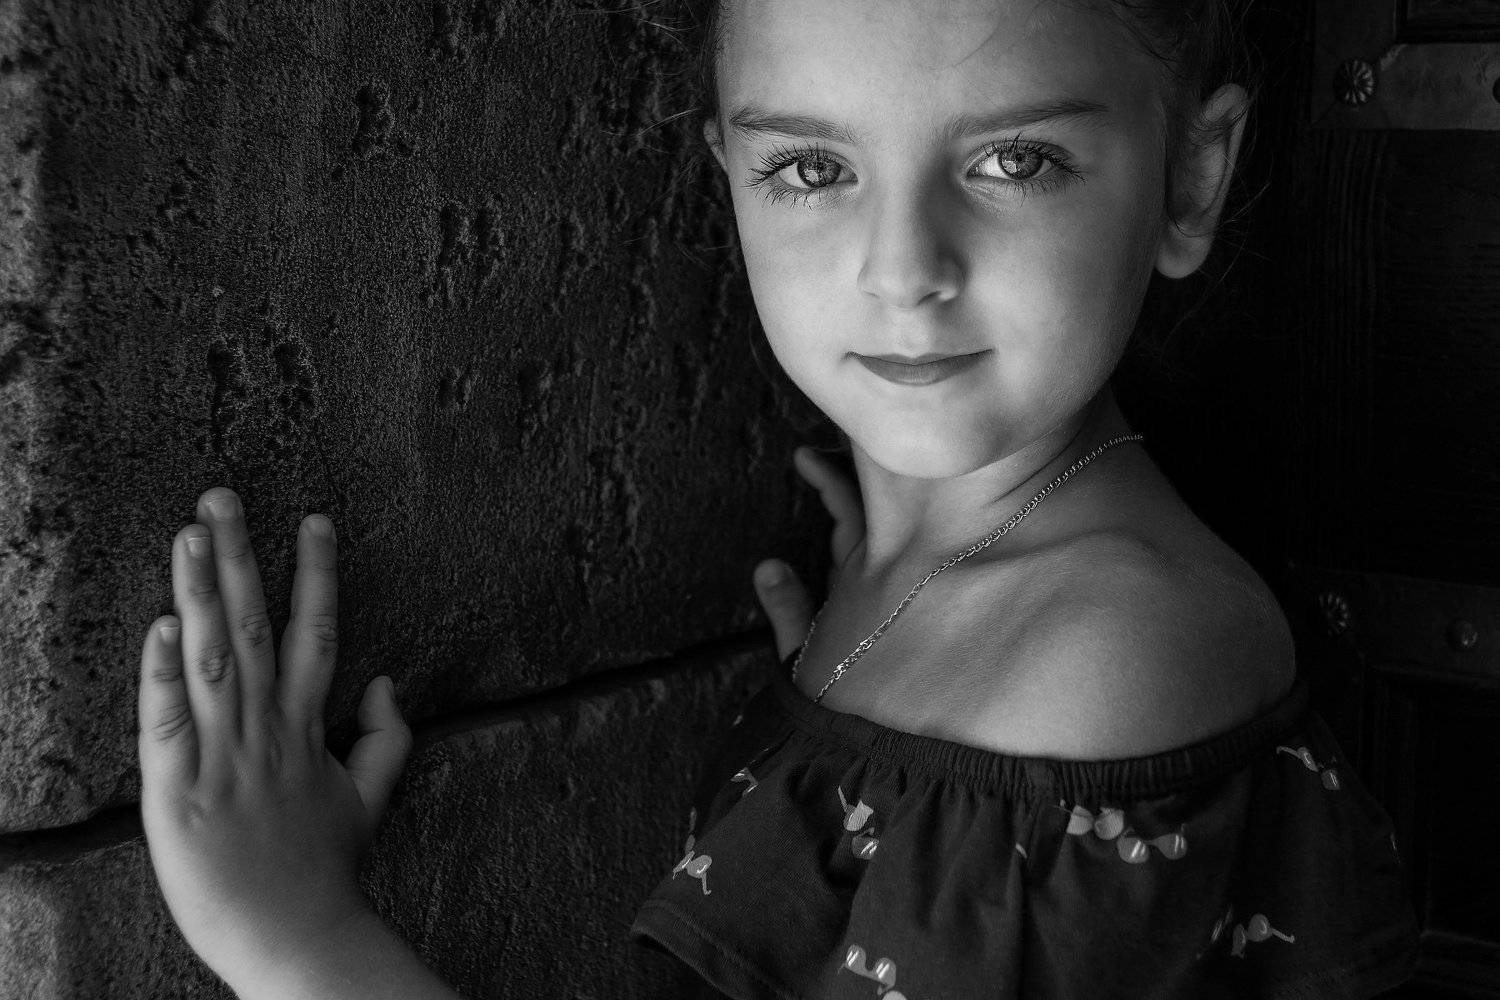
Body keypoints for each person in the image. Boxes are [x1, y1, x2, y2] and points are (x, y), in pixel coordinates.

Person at [136, 0, 1421, 997]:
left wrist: (296, 937)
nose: (902, 270)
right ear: (730, 177)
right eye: (810, 169)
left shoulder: (1108, 670)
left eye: (1016, 158)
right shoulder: (921, 583)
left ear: (1190, 179)